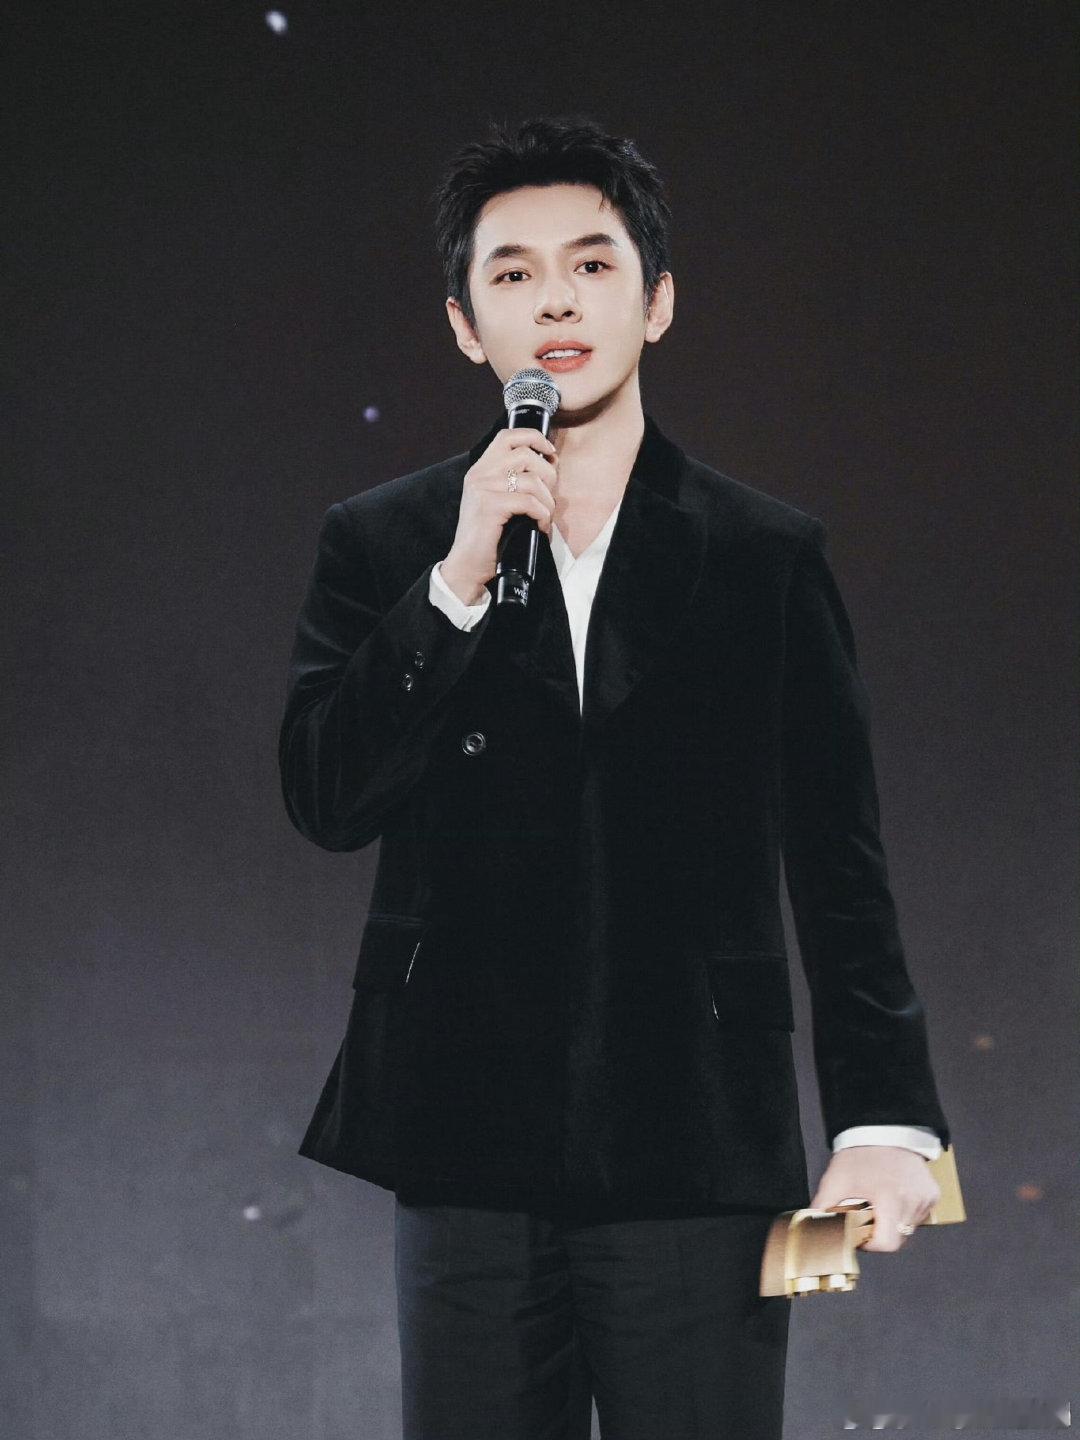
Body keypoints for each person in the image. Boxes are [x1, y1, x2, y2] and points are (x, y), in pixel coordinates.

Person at [278, 114, 952, 1440]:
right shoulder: (387, 542)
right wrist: (457, 580)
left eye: (591, 265)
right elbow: (325, 796)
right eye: (513, 273)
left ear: (658, 302)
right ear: (466, 326)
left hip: (697, 1126)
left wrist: (887, 1116)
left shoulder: (763, 553)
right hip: (462, 1124)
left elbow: (840, 859)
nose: (555, 303)